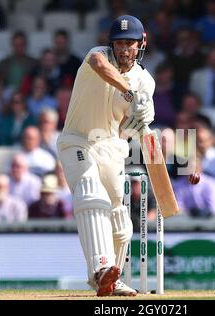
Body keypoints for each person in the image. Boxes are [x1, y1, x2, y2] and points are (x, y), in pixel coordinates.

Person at [56, 15, 155, 296]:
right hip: (76, 140)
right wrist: (130, 92)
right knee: (90, 193)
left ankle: (112, 278)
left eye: (130, 44)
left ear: (141, 44)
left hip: (112, 148)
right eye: (119, 43)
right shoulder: (98, 55)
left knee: (119, 219)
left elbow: (130, 124)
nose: (123, 50)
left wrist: (141, 116)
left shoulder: (145, 81)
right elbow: (100, 67)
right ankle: (100, 270)